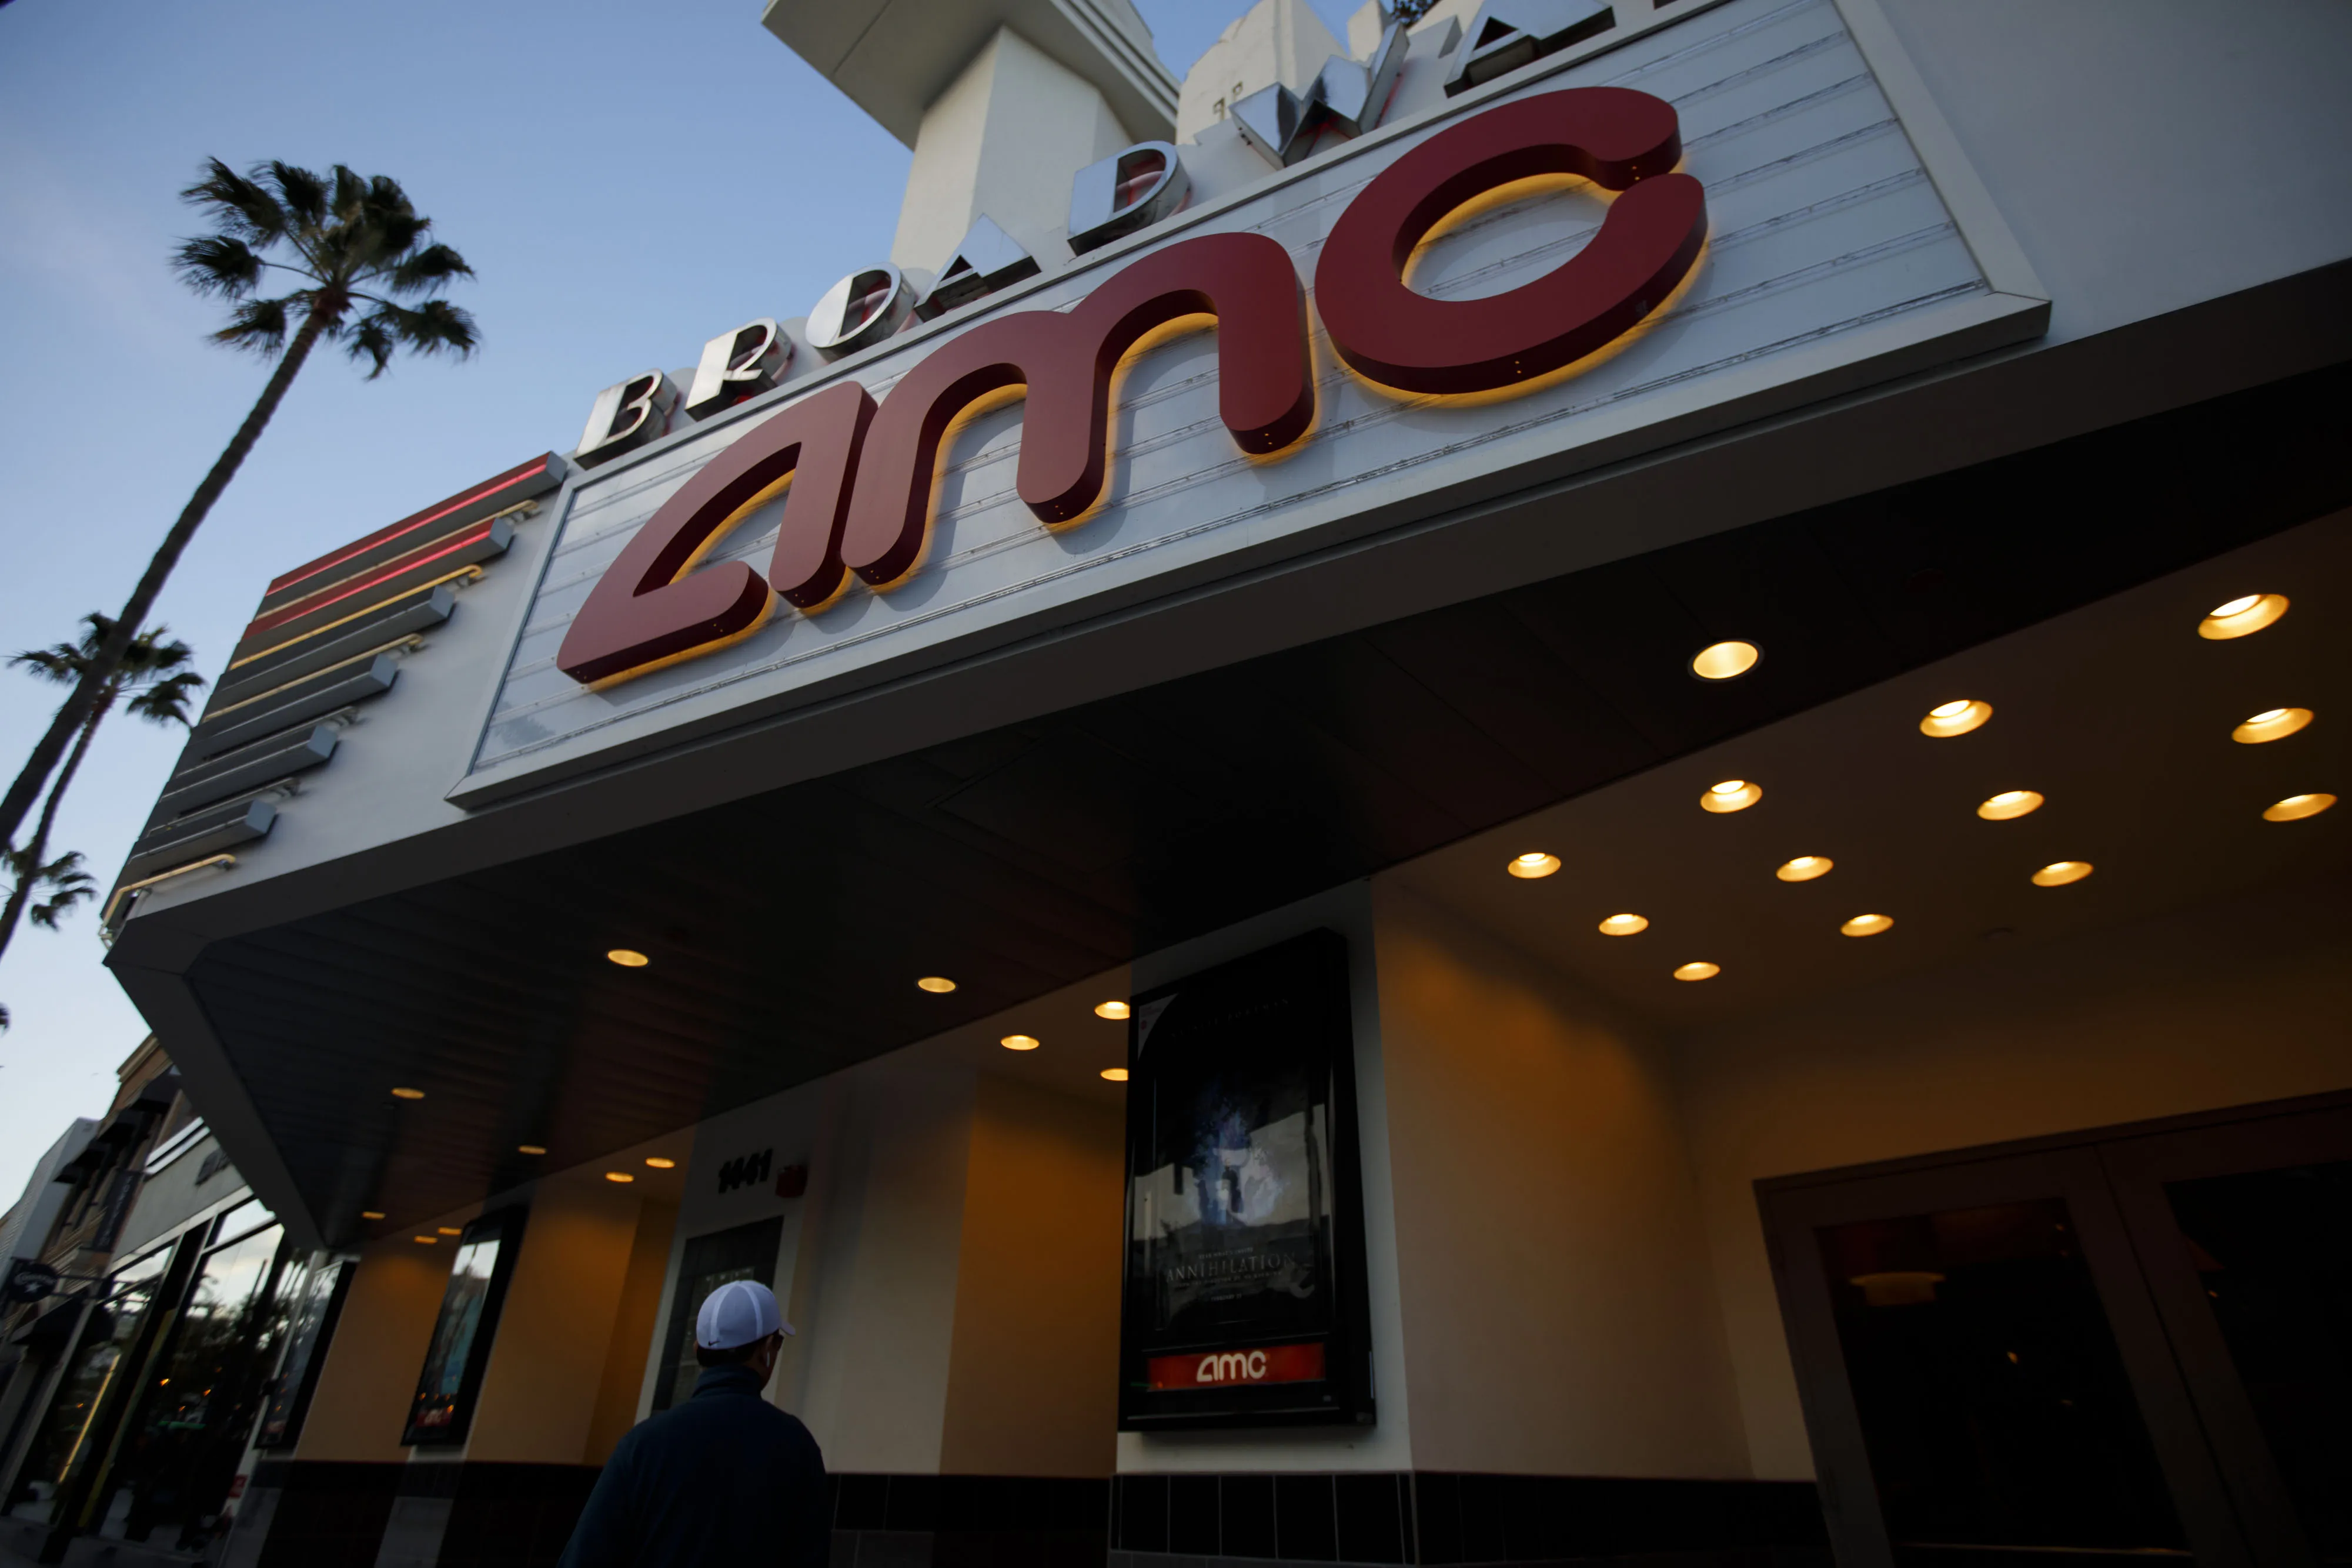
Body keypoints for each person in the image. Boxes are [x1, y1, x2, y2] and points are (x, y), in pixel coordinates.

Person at [558, 1280, 829, 1566]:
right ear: (767, 1350)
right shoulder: (796, 1446)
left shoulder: (643, 1444)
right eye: (778, 1343)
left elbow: (585, 1557)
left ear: (698, 1348)